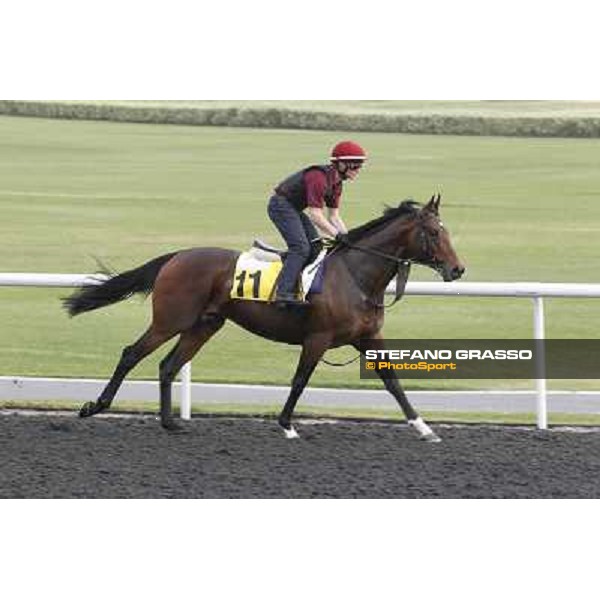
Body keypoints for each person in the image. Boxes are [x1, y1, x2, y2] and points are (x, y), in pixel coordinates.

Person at [267, 140, 367, 307]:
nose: (358, 170)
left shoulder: (337, 184)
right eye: (355, 166)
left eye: (360, 166)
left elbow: (334, 216)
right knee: (300, 248)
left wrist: (349, 238)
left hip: (294, 208)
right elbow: (315, 215)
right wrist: (337, 235)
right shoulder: (318, 177)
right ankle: (283, 294)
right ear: (341, 164)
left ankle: (295, 277)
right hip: (280, 206)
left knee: (316, 248)